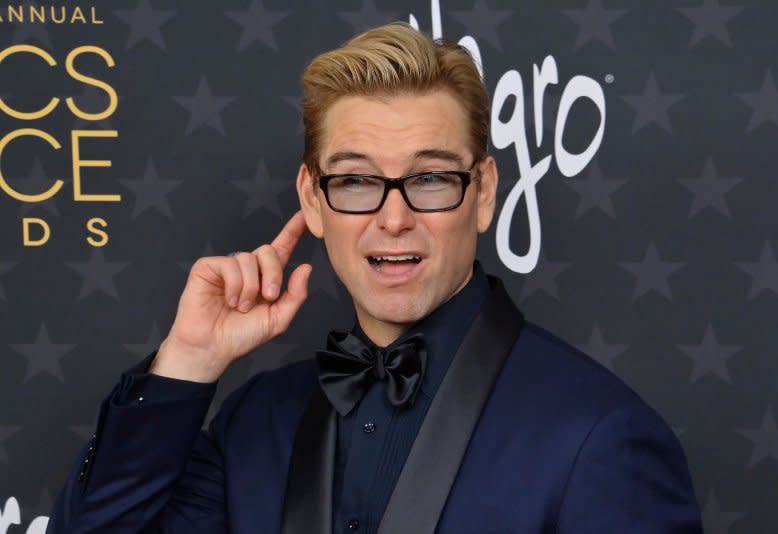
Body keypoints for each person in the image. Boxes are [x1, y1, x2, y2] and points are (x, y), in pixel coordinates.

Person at [47, 22, 702, 533]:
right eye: (357, 180)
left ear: (483, 193)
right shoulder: (256, 422)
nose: (394, 218)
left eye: (430, 178)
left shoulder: (598, 437)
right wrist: (187, 361)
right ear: (313, 199)